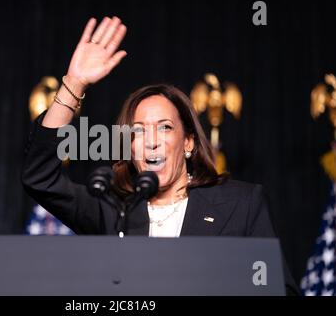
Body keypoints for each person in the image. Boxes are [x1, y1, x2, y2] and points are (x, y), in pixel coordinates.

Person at [21, 16, 298, 295]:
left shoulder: (241, 204)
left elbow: (280, 290)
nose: (151, 141)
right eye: (138, 131)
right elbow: (40, 178)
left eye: (164, 127)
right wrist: (75, 83)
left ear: (188, 142)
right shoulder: (112, 209)